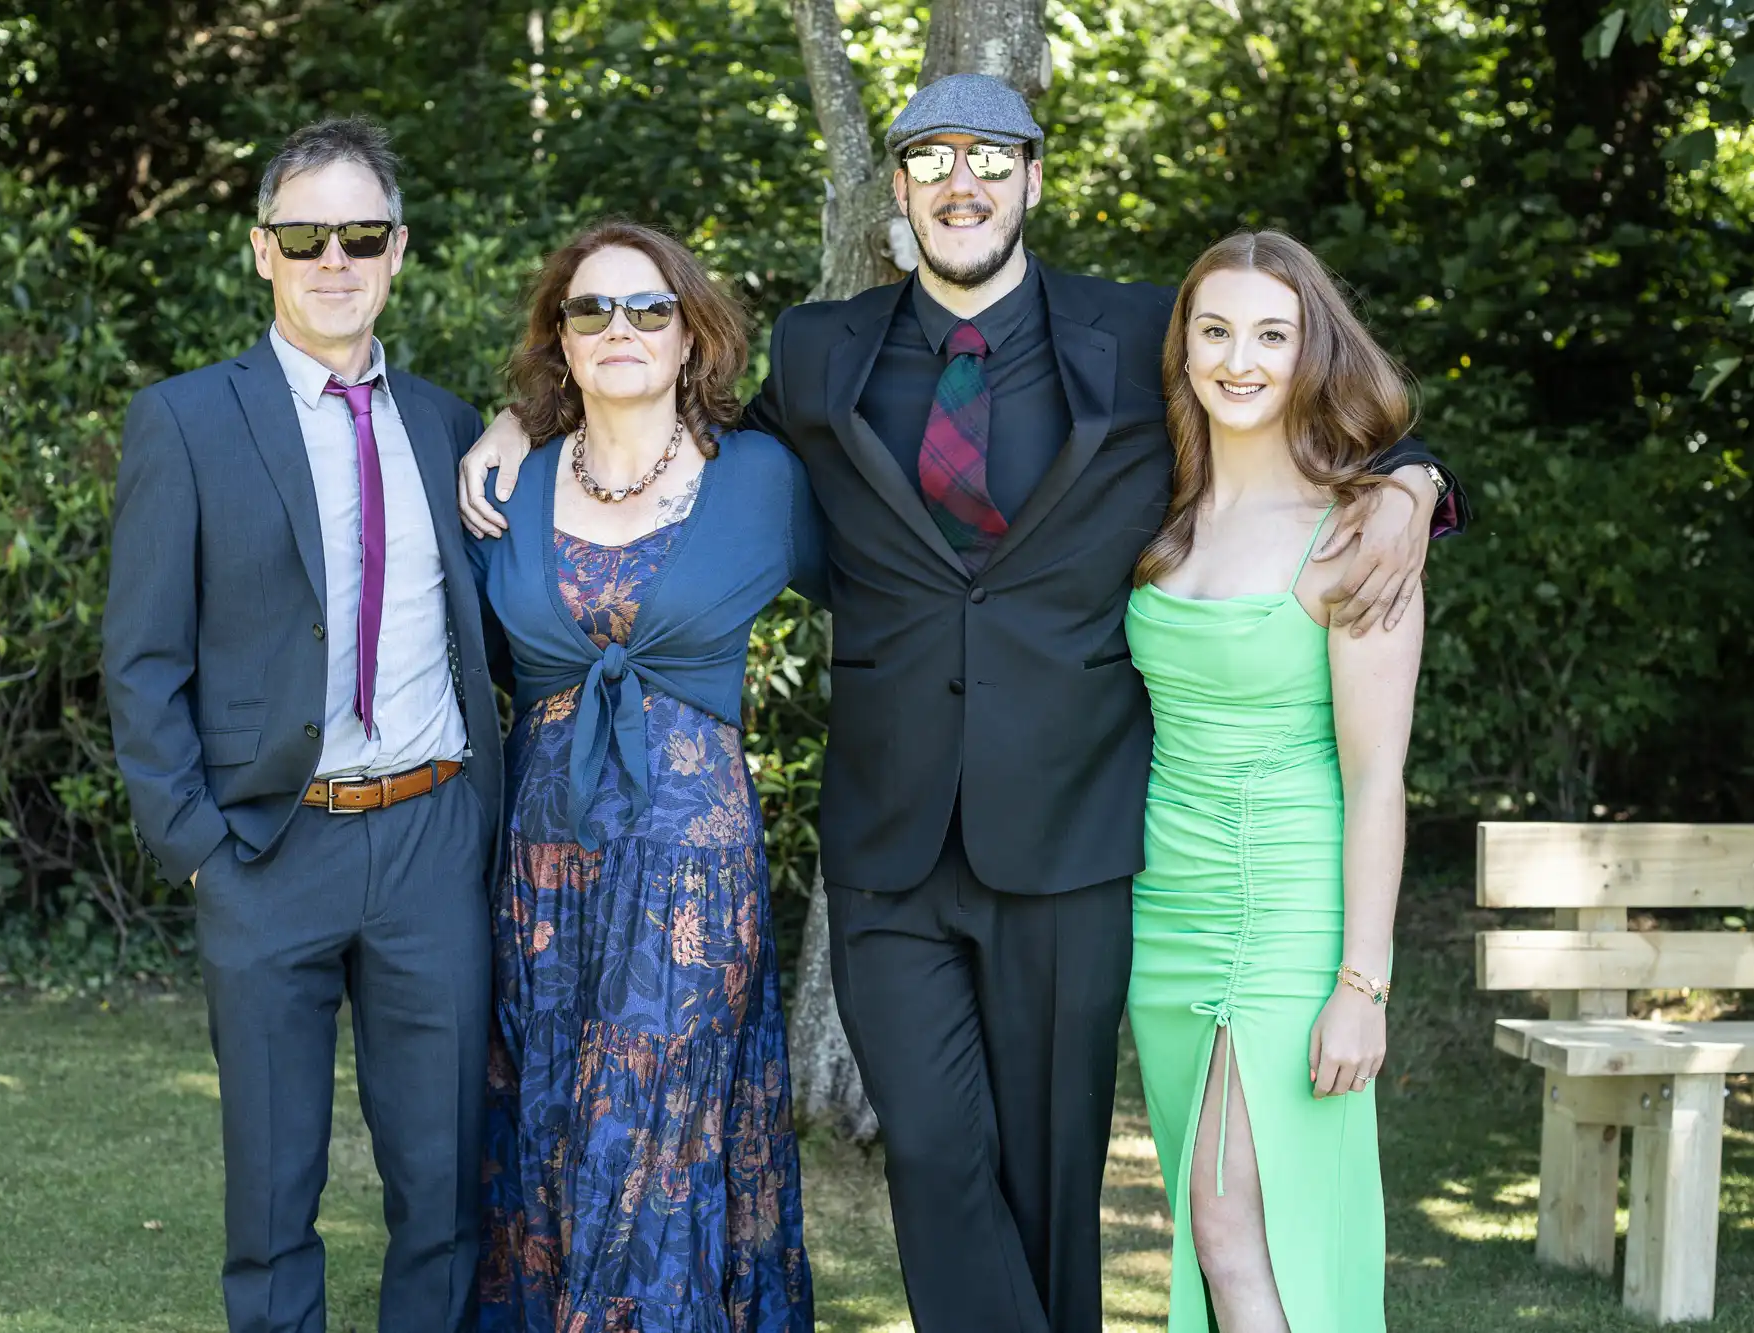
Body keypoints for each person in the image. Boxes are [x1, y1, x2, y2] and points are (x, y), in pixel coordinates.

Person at [459, 76, 1465, 1333]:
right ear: (899, 192)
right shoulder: (824, 355)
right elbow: (673, 425)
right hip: (889, 846)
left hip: (1073, 841)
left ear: (1032, 179)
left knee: (1049, 1188)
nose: (961, 182)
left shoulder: (1142, 337)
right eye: (931, 159)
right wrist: (519, 418)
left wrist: (1416, 481)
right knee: (932, 1159)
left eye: (990, 156)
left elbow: (1298, 399)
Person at [103, 117, 502, 1332]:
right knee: (273, 1201)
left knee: (442, 1186)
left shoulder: (447, 424)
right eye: (305, 233)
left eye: (361, 233)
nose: (335, 258)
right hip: (267, 849)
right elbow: (141, 659)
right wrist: (199, 851)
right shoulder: (184, 421)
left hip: (431, 840)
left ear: (398, 251)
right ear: (262, 252)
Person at [468, 219, 819, 1331]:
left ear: (689, 337)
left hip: (689, 883)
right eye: (589, 310)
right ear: (559, 342)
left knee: (655, 1145)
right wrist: (504, 424)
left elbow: (901, 597)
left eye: (647, 309)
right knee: (553, 1128)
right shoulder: (501, 488)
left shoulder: (761, 479)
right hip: (541, 880)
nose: (618, 328)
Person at [1125, 230, 1420, 1332]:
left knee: (1236, 1230)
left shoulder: (1361, 534)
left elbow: (1377, 778)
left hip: (1290, 919)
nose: (1236, 359)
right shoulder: (1159, 514)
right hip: (1166, 918)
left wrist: (1362, 983)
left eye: (1269, 333)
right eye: (1213, 331)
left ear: (1311, 352)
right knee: (1211, 1238)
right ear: (1183, 350)